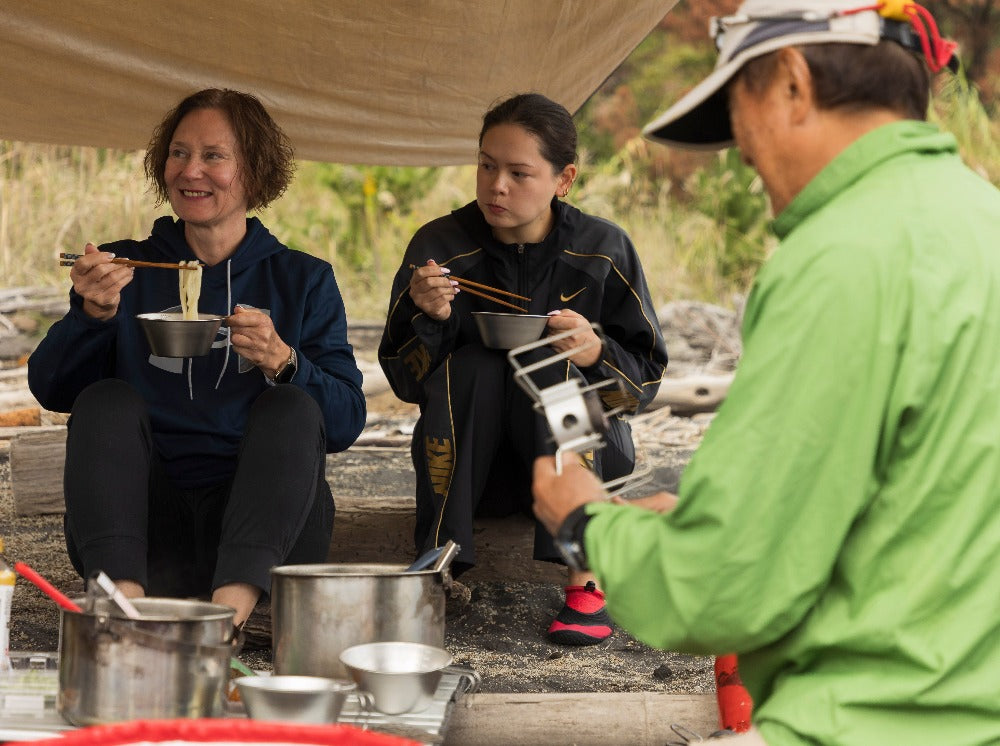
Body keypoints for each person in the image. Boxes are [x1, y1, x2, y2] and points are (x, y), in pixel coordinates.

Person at [532, 1, 1000, 743]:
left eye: (738, 115)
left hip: (874, 719)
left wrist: (589, 525)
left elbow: (722, 590)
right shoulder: (980, 219)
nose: (743, 156)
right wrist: (704, 520)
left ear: (791, 81)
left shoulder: (841, 256)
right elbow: (925, 496)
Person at [28, 88, 366, 628]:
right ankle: (126, 618)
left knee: (292, 405)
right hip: (141, 537)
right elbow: (51, 388)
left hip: (262, 540)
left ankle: (224, 625)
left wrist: (284, 361)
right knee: (105, 399)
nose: (190, 171)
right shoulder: (126, 269)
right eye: (179, 153)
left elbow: (345, 423)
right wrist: (93, 314)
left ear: (255, 171)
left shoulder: (302, 279)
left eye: (214, 156)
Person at [378, 92, 667, 645]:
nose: (497, 186)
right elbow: (405, 381)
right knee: (472, 364)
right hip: (473, 470)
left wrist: (595, 353)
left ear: (564, 179)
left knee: (553, 366)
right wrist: (429, 319)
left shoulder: (602, 250)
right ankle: (436, 566)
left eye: (519, 172)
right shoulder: (440, 248)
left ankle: (586, 576)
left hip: (582, 462)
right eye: (486, 166)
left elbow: (643, 385)